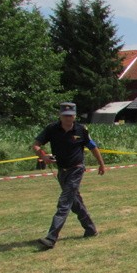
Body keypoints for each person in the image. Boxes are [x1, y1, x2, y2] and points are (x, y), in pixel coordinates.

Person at [32, 102, 106, 249]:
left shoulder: (81, 130)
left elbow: (93, 147)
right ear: (60, 116)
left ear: (75, 116)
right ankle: (90, 229)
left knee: (64, 203)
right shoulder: (51, 129)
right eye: (65, 116)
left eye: (70, 116)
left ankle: (51, 238)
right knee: (74, 201)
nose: (68, 118)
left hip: (76, 169)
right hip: (62, 170)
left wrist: (101, 164)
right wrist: (44, 156)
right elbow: (36, 145)